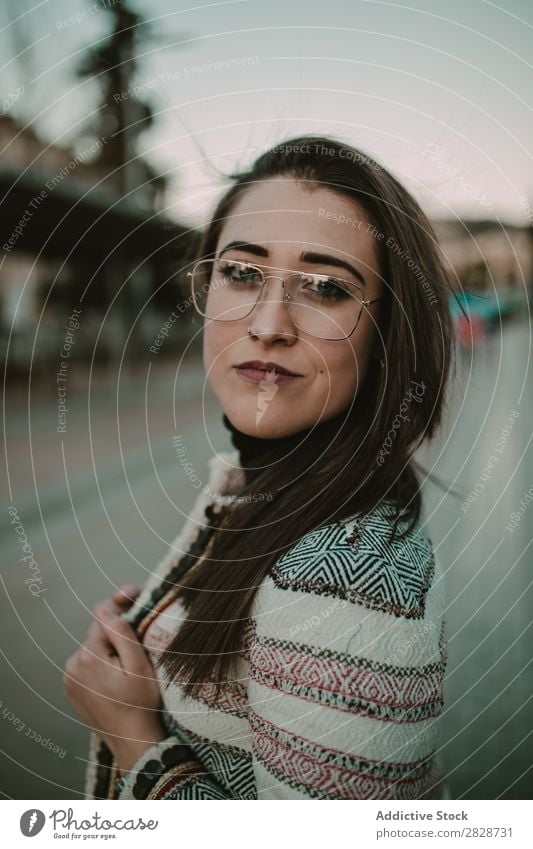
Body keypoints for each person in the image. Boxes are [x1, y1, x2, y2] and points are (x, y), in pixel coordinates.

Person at [64, 135, 455, 800]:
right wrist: (159, 621)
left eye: (326, 288)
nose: (268, 323)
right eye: (242, 273)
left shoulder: (343, 576)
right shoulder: (261, 479)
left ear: (389, 328)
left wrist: (132, 734)